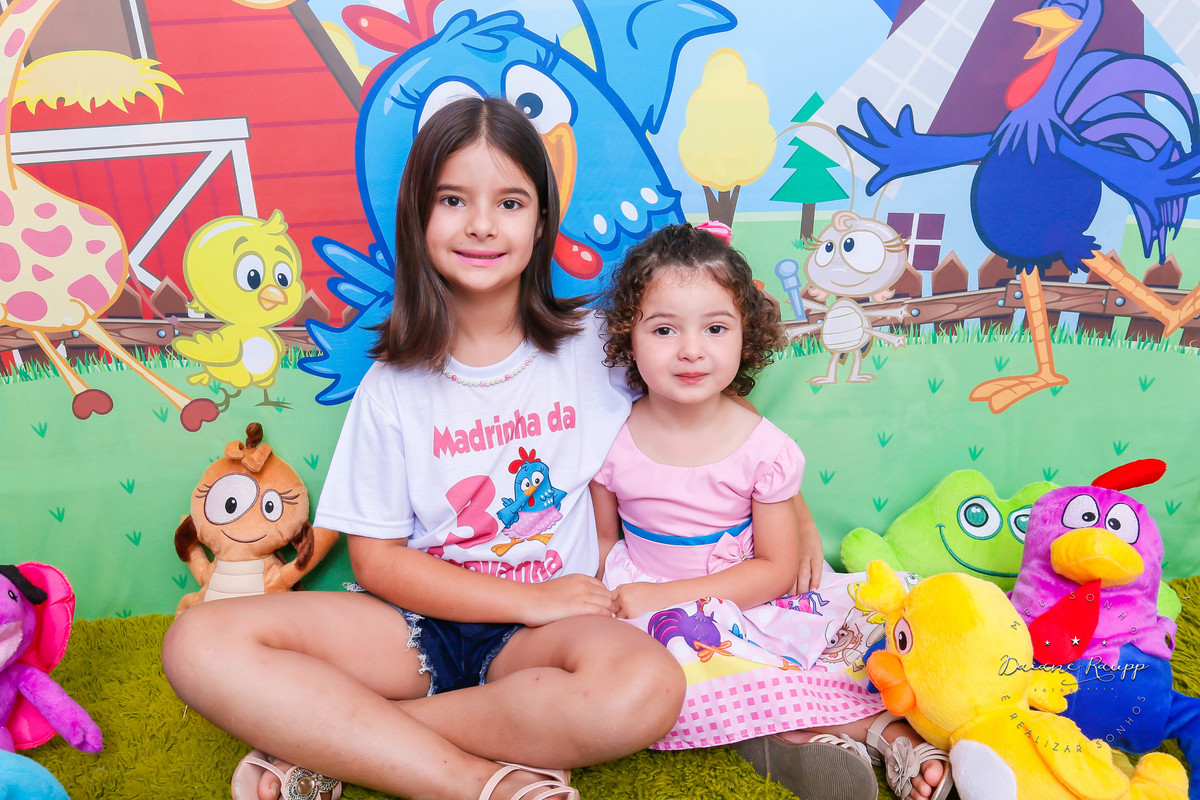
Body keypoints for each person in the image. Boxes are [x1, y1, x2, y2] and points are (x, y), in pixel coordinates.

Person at [161, 96, 686, 800]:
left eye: (509, 202)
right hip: (411, 629)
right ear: (418, 216)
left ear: (541, 222)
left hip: (543, 635)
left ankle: (337, 739)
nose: (481, 224)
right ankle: (480, 783)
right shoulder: (392, 386)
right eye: (452, 200)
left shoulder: (598, 347)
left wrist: (788, 506)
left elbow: (706, 399)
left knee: (646, 685)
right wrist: (524, 599)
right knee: (198, 642)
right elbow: (376, 561)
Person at [591, 222, 953, 800]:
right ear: (627, 337)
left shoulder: (764, 448)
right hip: (656, 612)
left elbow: (776, 569)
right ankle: (848, 734)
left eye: (715, 328)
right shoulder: (609, 439)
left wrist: (669, 597)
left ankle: (874, 730)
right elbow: (604, 544)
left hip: (751, 600)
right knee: (660, 674)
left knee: (882, 627)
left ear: (745, 336)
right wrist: (619, 600)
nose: (691, 350)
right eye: (663, 329)